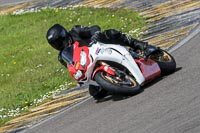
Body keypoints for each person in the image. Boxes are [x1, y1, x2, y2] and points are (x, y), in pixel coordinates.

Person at [46, 23, 158, 99]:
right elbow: (72, 67)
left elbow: (94, 28)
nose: (58, 45)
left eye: (58, 41)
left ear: (63, 35)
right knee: (95, 93)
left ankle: (142, 46)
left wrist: (94, 35)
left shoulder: (75, 31)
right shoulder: (62, 57)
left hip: (101, 47)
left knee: (112, 33)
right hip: (91, 65)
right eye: (54, 44)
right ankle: (115, 81)